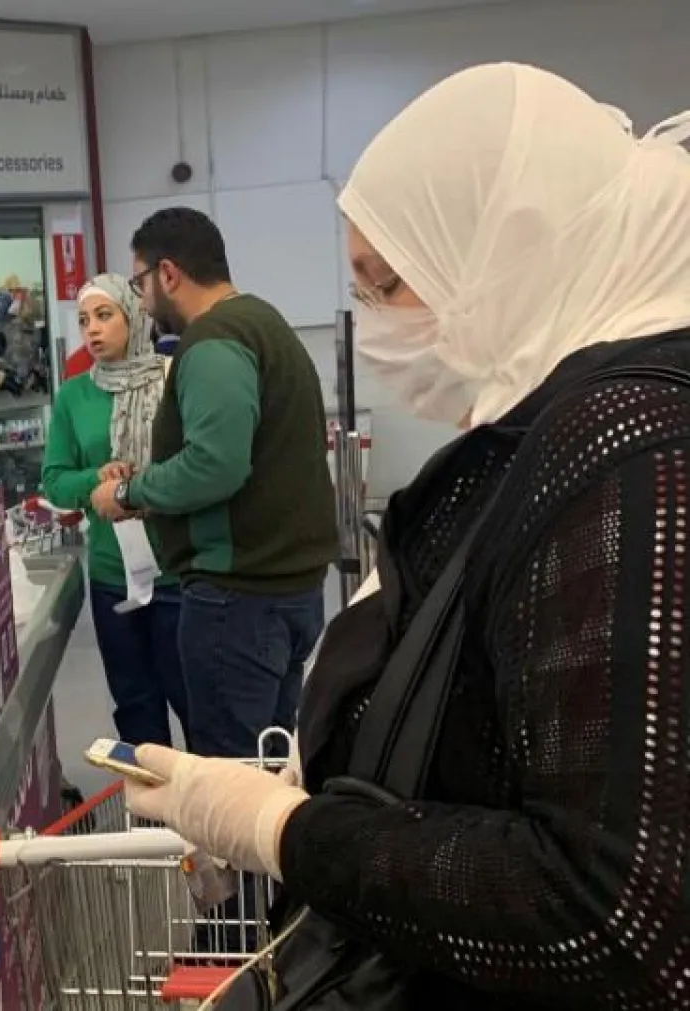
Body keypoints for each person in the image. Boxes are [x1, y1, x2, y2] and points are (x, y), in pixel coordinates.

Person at [124, 63, 690, 1009]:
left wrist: (287, 832)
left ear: (507, 255)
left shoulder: (629, 453)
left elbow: (617, 913)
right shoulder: (558, 420)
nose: (375, 324)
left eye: (388, 285)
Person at [90, 207, 337, 759]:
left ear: (168, 273)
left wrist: (129, 494)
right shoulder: (264, 323)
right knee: (270, 765)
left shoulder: (213, 340)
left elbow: (215, 465)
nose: (143, 301)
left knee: (229, 774)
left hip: (240, 599)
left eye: (141, 283)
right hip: (284, 589)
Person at [42, 274, 185, 746]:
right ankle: (150, 795)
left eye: (104, 316)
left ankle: (205, 794)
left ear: (136, 315)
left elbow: (197, 462)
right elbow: (55, 482)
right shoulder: (74, 396)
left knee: (196, 700)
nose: (93, 330)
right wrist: (97, 479)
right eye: (85, 320)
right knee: (136, 704)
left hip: (180, 570)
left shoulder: (174, 378)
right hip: (112, 574)